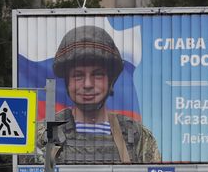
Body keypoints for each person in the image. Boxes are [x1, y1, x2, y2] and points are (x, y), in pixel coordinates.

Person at [36, 25, 160, 164]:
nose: (88, 84)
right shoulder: (44, 134)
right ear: (67, 83)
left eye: (97, 74)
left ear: (110, 81)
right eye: (78, 76)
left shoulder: (136, 135)